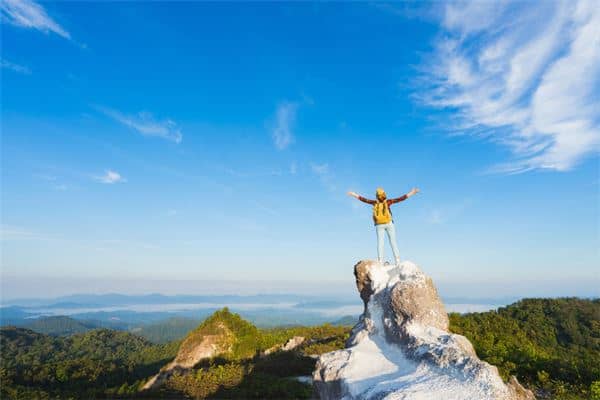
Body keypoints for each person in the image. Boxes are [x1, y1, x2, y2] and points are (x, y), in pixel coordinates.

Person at [347, 187, 420, 265]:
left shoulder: (375, 203)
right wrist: (412, 192)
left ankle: (380, 261)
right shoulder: (388, 202)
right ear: (384, 195)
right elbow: (401, 199)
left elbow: (364, 200)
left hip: (379, 225)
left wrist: (354, 194)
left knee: (380, 243)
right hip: (389, 223)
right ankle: (397, 261)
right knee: (393, 242)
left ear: (377, 196)